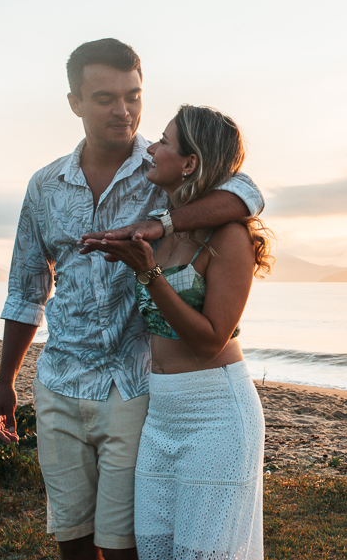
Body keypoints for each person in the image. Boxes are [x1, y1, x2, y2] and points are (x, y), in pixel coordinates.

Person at [0, 39, 264, 560]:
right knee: (71, 539)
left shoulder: (167, 173)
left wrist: (158, 222)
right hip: (60, 381)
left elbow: (247, 195)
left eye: (133, 96)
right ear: (74, 102)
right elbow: (27, 290)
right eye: (105, 98)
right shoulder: (44, 186)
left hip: (134, 387)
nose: (124, 111)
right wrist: (5, 382)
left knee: (123, 547)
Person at [84, 104, 269, 560]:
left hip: (216, 414)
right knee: (156, 551)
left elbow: (210, 341)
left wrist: (149, 275)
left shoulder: (228, 236)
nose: (151, 147)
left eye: (164, 142)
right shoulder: (159, 228)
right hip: (161, 413)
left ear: (189, 163)